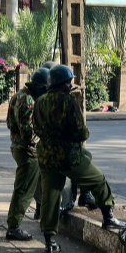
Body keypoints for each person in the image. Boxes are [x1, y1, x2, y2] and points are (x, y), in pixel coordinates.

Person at [34, 64, 125, 253]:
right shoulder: (68, 102)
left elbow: (37, 129)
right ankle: (108, 216)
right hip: (68, 156)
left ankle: (49, 241)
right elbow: (80, 133)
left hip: (46, 156)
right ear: (63, 84)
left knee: (50, 196)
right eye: (69, 82)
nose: (71, 85)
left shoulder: (40, 101)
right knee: (97, 180)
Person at [39, 61, 98, 213]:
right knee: (81, 161)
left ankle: (44, 209)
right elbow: (79, 132)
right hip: (58, 151)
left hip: (44, 150)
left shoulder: (41, 98)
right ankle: (85, 194)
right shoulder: (62, 100)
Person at [5, 67, 50, 241]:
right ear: (39, 88)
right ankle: (13, 227)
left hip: (18, 147)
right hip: (28, 152)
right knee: (24, 190)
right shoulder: (29, 101)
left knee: (38, 183)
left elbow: (10, 122)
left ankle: (40, 211)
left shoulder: (18, 96)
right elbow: (30, 134)